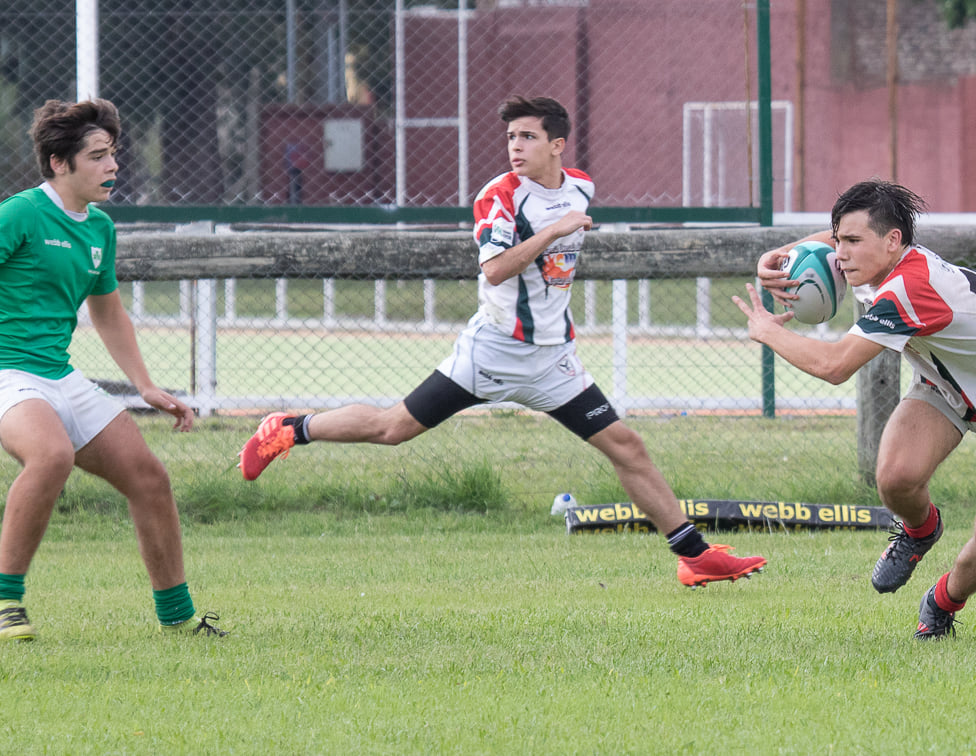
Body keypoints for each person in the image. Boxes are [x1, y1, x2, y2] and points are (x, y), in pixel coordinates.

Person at [239, 95, 766, 587]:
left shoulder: (580, 186)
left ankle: (695, 558)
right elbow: (493, 271)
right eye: (512, 136)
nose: (516, 146)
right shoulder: (499, 197)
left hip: (552, 360)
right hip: (492, 351)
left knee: (626, 445)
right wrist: (552, 233)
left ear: (557, 145)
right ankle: (287, 428)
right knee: (392, 427)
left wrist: (560, 233)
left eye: (529, 137)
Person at [734, 178, 976, 639]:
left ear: (893, 241)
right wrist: (778, 253)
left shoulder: (908, 289)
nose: (840, 255)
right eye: (838, 240)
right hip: (944, 383)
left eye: (852, 242)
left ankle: (942, 601)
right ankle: (922, 531)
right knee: (895, 478)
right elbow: (837, 236)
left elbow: (834, 365)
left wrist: (767, 330)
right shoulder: (877, 257)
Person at [0, 99, 225, 641]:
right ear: (59, 163)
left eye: (113, 154)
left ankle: (177, 617)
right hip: (8, 372)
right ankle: (5, 602)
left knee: (149, 479)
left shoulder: (99, 227)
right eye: (98, 157)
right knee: (50, 455)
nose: (113, 167)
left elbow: (107, 310)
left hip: (58, 374)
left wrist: (146, 385)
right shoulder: (20, 214)